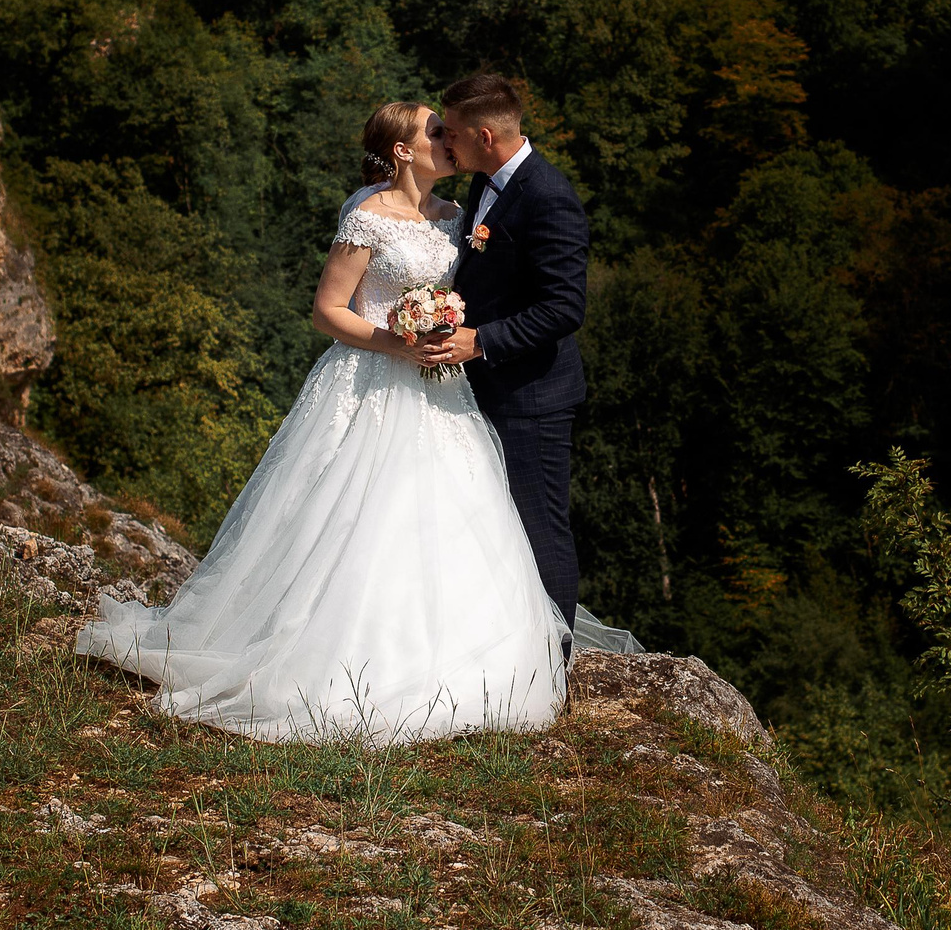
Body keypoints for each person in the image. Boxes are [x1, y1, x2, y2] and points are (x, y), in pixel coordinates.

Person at [75, 101, 567, 741]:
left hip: (442, 391)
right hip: (371, 381)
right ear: (401, 151)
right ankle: (327, 655)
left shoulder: (457, 216)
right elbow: (327, 310)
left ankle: (461, 655)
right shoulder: (367, 217)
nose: (449, 142)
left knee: (449, 513)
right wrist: (399, 341)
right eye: (435, 133)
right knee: (358, 514)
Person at [417, 73, 593, 653]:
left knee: (541, 530)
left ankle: (552, 667)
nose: (445, 144)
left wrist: (481, 341)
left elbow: (565, 308)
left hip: (532, 396)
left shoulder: (548, 195)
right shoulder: (486, 183)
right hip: (484, 389)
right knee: (491, 528)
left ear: (485, 136)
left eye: (453, 135)